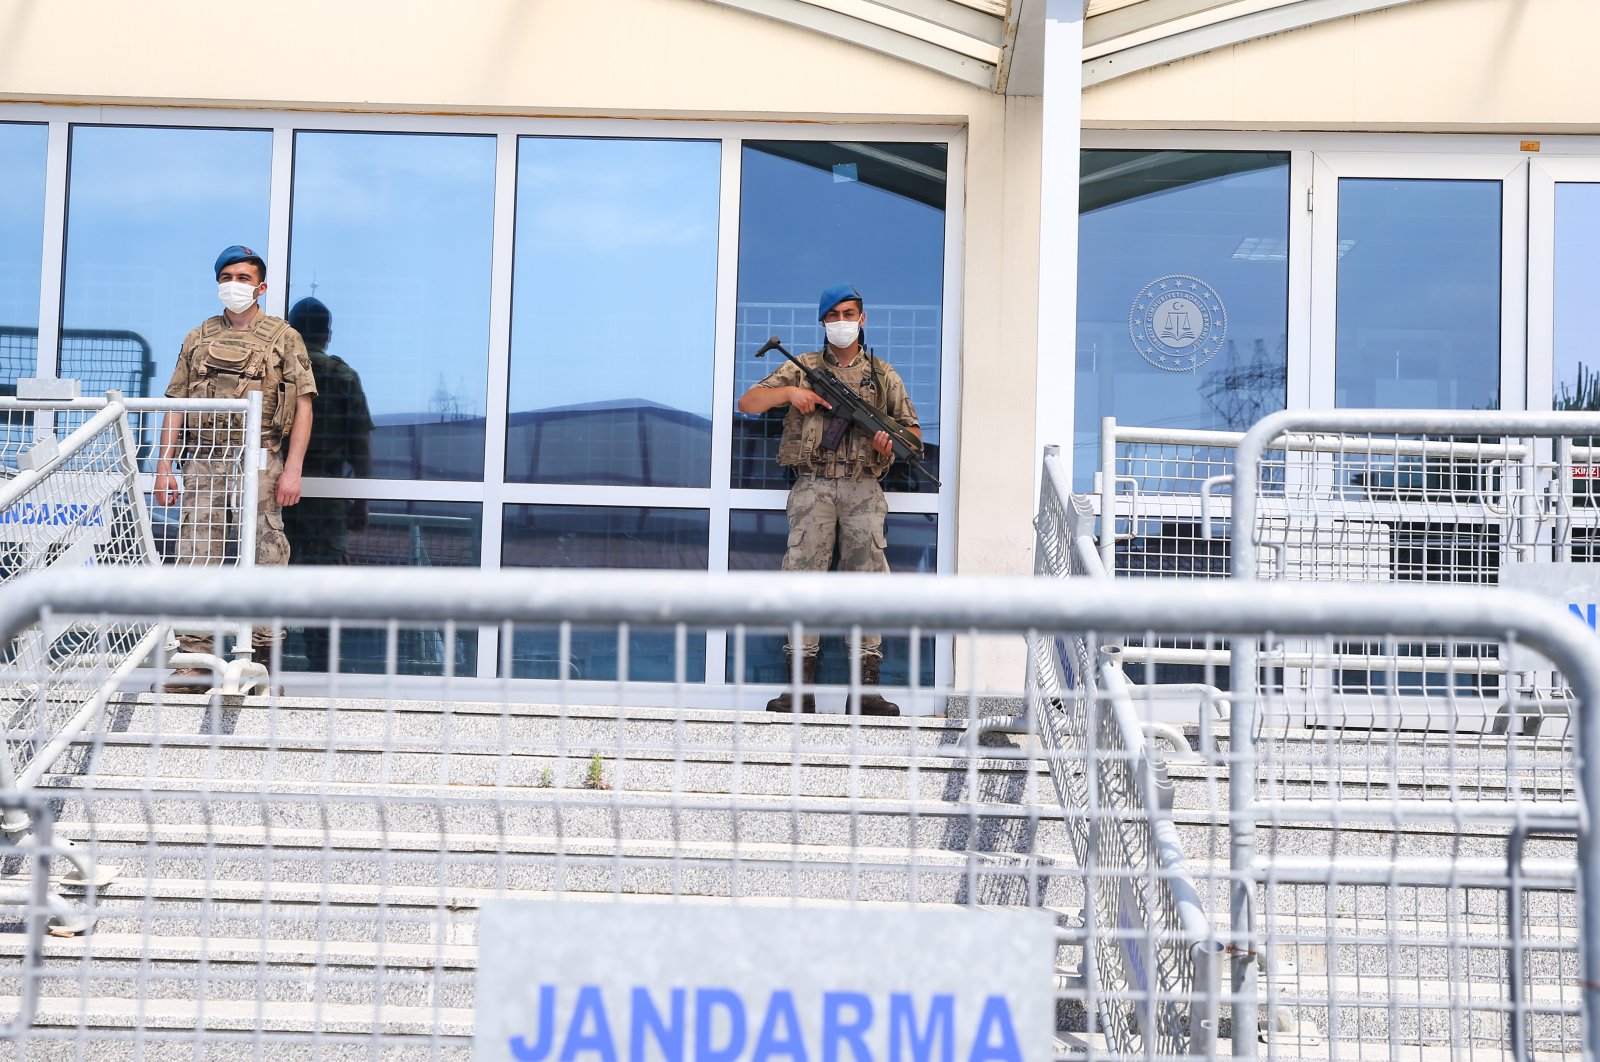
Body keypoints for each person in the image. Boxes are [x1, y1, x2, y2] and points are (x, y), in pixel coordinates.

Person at [736, 283, 921, 716]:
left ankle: (866, 692)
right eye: (834, 315)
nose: (842, 322)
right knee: (803, 581)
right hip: (812, 485)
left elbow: (912, 436)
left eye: (849, 313)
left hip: (862, 487)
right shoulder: (801, 368)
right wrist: (790, 394)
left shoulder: (882, 374)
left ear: (863, 319)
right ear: (823, 321)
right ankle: (798, 691)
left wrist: (885, 444)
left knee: (868, 585)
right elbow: (749, 402)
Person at [155, 245, 317, 687]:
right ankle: (193, 658)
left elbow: (303, 406)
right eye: (227, 276)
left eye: (244, 278)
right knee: (196, 553)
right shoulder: (198, 336)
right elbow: (176, 404)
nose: (234, 285)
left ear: (261, 286)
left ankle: (265, 654)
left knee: (265, 554)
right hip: (205, 459)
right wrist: (164, 465)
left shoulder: (284, 336)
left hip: (260, 457)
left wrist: (292, 469)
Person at [282, 296, 374, 671]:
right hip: (327, 495)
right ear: (328, 335)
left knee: (272, 577)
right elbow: (361, 446)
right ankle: (321, 666)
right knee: (322, 584)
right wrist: (361, 500)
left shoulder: (280, 372)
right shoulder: (342, 375)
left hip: (279, 491)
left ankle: (263, 660)